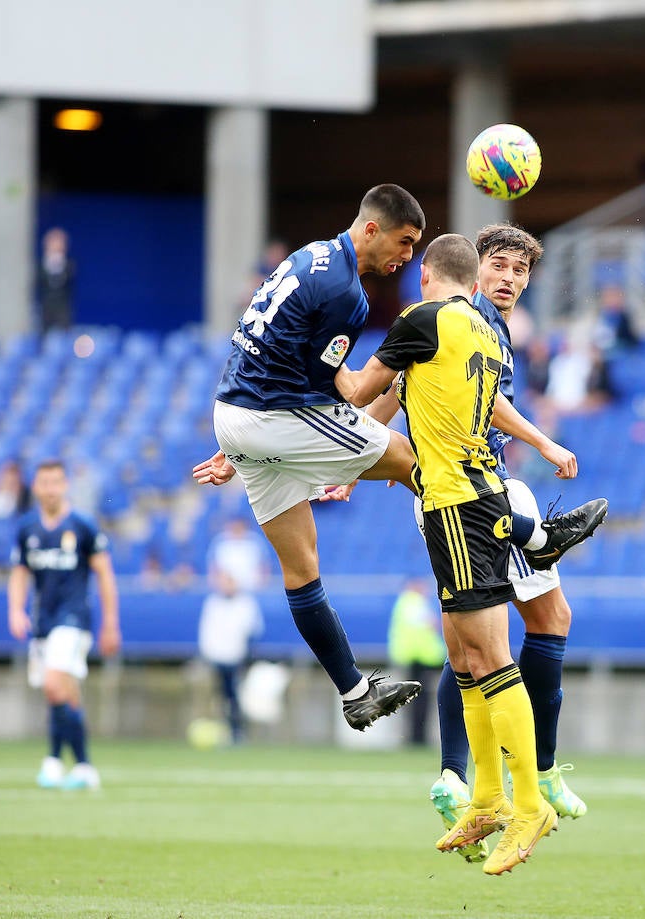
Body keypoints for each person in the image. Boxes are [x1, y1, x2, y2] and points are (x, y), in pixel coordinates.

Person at [191, 186, 602, 733]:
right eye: (404, 242)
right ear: (370, 229)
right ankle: (533, 537)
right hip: (274, 415)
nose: (407, 256)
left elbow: (275, 353)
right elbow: (352, 391)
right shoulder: (347, 295)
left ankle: (355, 690)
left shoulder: (306, 257)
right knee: (424, 462)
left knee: (302, 568)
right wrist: (359, 442)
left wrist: (239, 442)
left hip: (240, 412)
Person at [335, 233, 593, 876]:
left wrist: (321, 353)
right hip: (472, 493)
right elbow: (410, 388)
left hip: (458, 499)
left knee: (492, 653)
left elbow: (366, 390)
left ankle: (528, 797)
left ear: (425, 272)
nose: (506, 278)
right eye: (496, 267)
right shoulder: (478, 328)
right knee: (467, 650)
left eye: (516, 269)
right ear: (474, 274)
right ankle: (485, 795)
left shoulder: (425, 319)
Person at [7, 460, 121, 790]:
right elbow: (19, 573)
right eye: (45, 482)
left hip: (73, 620)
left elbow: (104, 574)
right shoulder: (27, 528)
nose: (51, 488)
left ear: (65, 485)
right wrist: (15, 609)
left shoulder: (83, 525)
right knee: (65, 696)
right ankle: (83, 767)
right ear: (36, 487)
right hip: (44, 620)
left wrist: (110, 623)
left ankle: (53, 760)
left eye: (57, 482)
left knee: (54, 684)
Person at [200, 519, 266, 743]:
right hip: (221, 656)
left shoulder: (245, 604)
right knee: (224, 694)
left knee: (237, 692)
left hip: (238, 656)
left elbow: (250, 632)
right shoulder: (214, 603)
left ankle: (239, 730)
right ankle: (230, 729)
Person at [387, 578, 447, 747]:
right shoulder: (413, 603)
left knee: (414, 700)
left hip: (414, 658)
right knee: (420, 702)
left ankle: (416, 736)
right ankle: (418, 737)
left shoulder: (406, 603)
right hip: (419, 658)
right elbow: (430, 624)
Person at [37, 228, 76, 332]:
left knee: (63, 335)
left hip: (63, 310)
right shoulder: (40, 265)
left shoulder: (69, 265)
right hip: (46, 310)